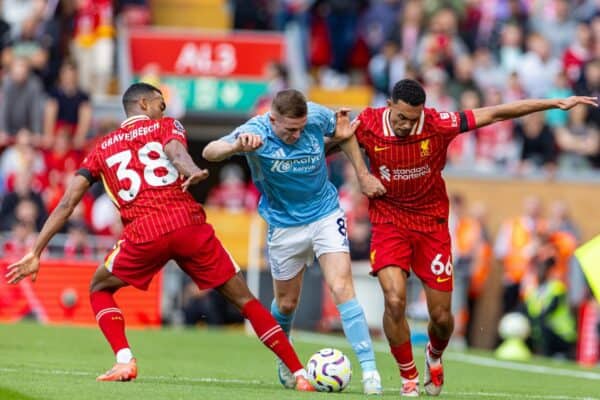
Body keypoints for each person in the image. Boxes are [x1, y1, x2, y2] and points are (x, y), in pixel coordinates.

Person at [5, 82, 314, 391]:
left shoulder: (100, 148)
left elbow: (67, 202)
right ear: (142, 104)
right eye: (159, 104)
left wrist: (36, 251)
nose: (163, 110)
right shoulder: (166, 126)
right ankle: (299, 373)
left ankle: (124, 359)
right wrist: (191, 169)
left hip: (144, 233)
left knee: (99, 288)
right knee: (245, 301)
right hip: (187, 224)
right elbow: (176, 152)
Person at [347, 79, 596, 397]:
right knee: (394, 299)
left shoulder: (438, 124)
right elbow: (339, 135)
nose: (406, 125)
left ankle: (434, 357)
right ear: (389, 106)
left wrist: (552, 103)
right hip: (388, 224)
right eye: (400, 118)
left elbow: (495, 114)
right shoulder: (367, 121)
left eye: (413, 118)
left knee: (441, 317)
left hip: (431, 226)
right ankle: (408, 376)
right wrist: (362, 173)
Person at [202, 89, 386, 395]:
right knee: (286, 303)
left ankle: (370, 371)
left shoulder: (315, 115)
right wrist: (236, 145)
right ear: (273, 119)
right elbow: (210, 151)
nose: (297, 134)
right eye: (290, 129)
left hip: (325, 212)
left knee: (342, 287)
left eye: (301, 128)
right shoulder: (255, 131)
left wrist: (363, 175)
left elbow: (344, 134)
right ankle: (286, 360)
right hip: (284, 225)